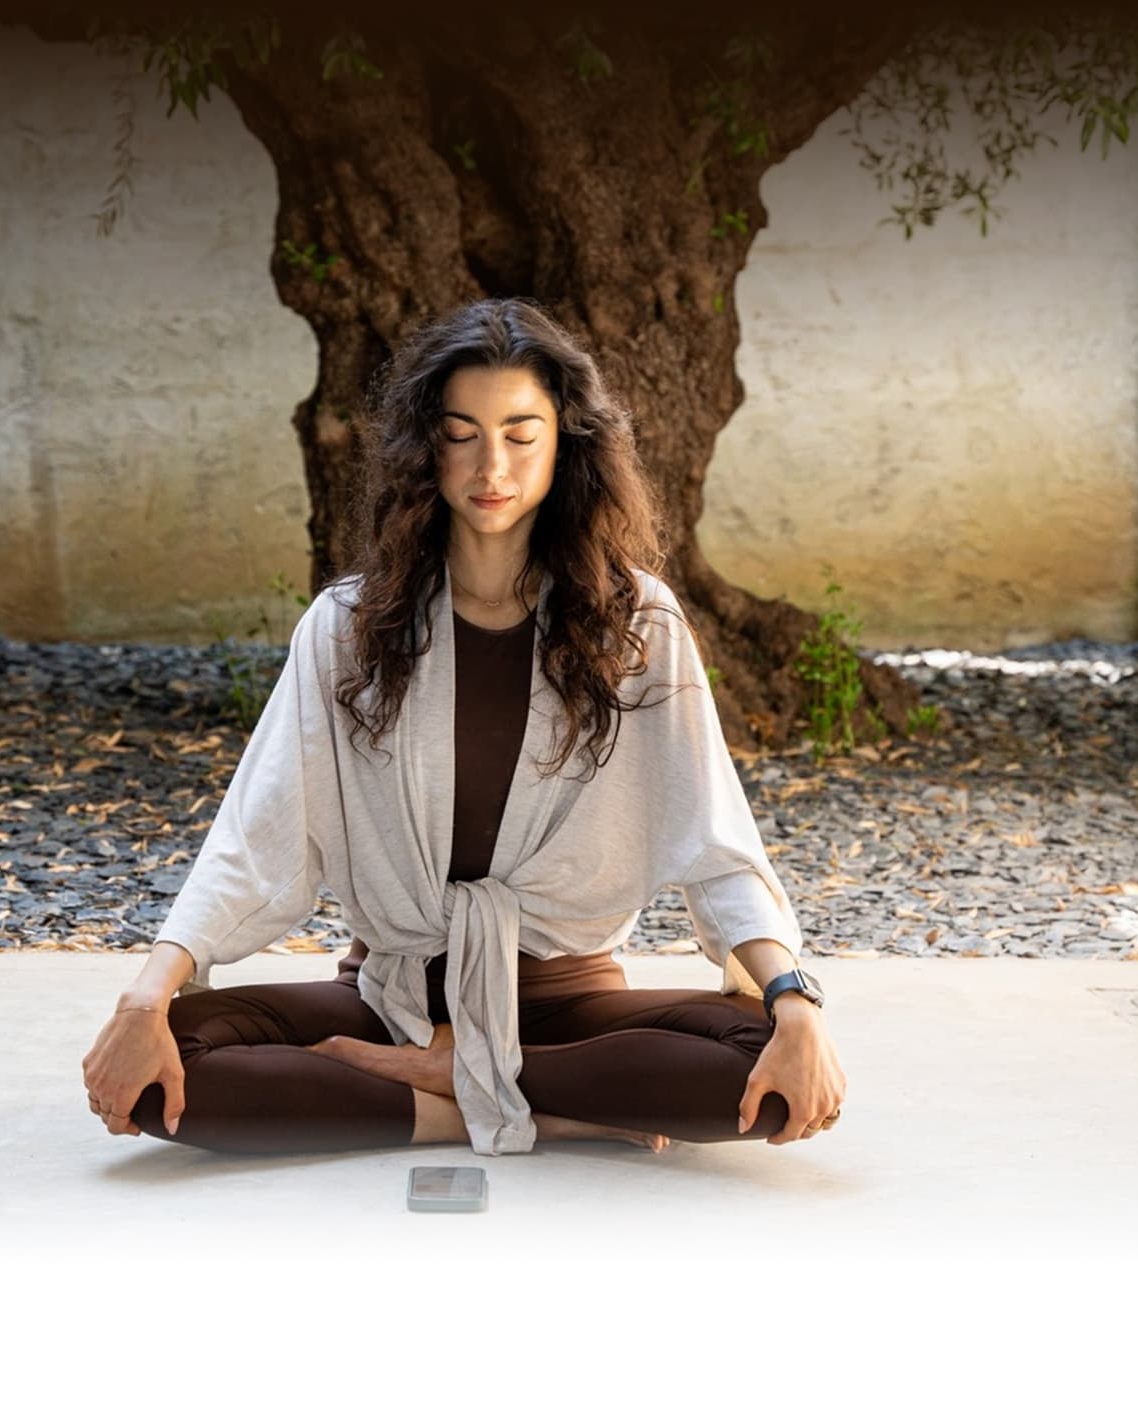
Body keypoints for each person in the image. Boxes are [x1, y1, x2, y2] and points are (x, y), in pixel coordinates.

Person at [82, 297, 847, 1155]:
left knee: (770, 1073)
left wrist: (794, 1002)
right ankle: (517, 1105)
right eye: (462, 432)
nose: (494, 463)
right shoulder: (348, 626)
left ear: (566, 445)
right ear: (426, 447)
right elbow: (252, 840)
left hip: (567, 1003)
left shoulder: (639, 626)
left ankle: (454, 1083)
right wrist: (143, 1002)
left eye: (522, 434)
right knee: (167, 1067)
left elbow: (717, 847)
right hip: (393, 997)